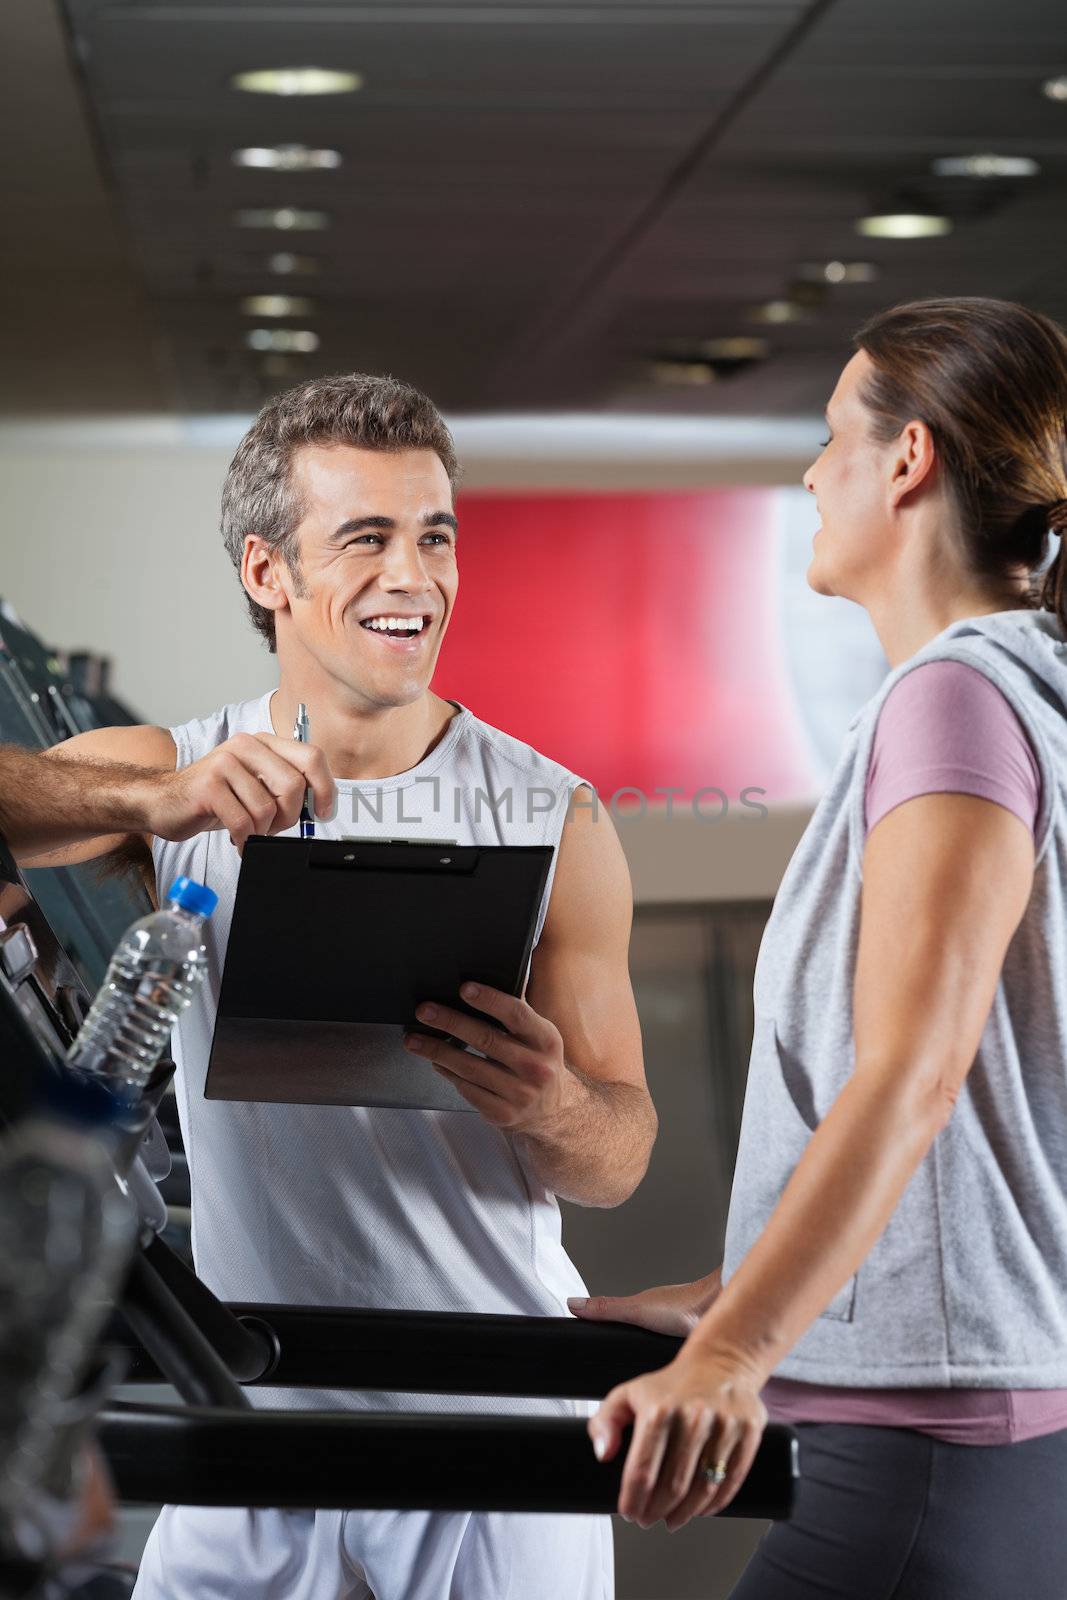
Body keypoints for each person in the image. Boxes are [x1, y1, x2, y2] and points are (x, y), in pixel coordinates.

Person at [0, 373, 656, 1600]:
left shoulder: (550, 812)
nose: (414, 575)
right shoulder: (171, 774)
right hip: (252, 1407)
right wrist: (149, 803)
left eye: (435, 535)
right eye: (366, 537)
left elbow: (617, 1157)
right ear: (267, 572)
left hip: (489, 1415)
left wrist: (552, 1102)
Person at [570, 297, 1067, 1599]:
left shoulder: (955, 699)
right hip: (974, 1427)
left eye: (827, 435)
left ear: (905, 461)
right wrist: (730, 1292)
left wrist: (732, 1351)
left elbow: (911, 1074)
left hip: (927, 1455)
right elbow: (987, 1118)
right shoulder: (1020, 690)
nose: (806, 470)